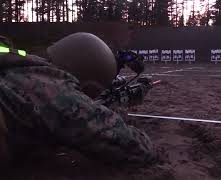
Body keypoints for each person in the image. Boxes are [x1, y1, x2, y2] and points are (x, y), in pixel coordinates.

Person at [0, 33, 156, 168]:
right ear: (88, 87)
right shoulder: (58, 91)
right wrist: (115, 115)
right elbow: (138, 149)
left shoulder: (15, 61)